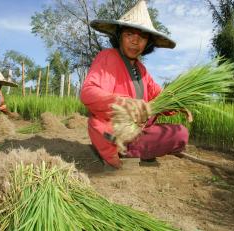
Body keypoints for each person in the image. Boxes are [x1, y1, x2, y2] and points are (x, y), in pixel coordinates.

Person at [81, 0, 192, 168]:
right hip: (114, 131)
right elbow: (88, 92)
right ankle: (121, 151)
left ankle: (133, 151)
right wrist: (124, 103)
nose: (135, 41)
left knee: (180, 133)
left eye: (142, 37)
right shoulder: (107, 57)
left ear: (148, 43)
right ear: (119, 36)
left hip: (137, 132)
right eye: (129, 35)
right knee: (99, 127)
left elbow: (160, 96)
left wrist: (178, 104)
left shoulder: (143, 70)